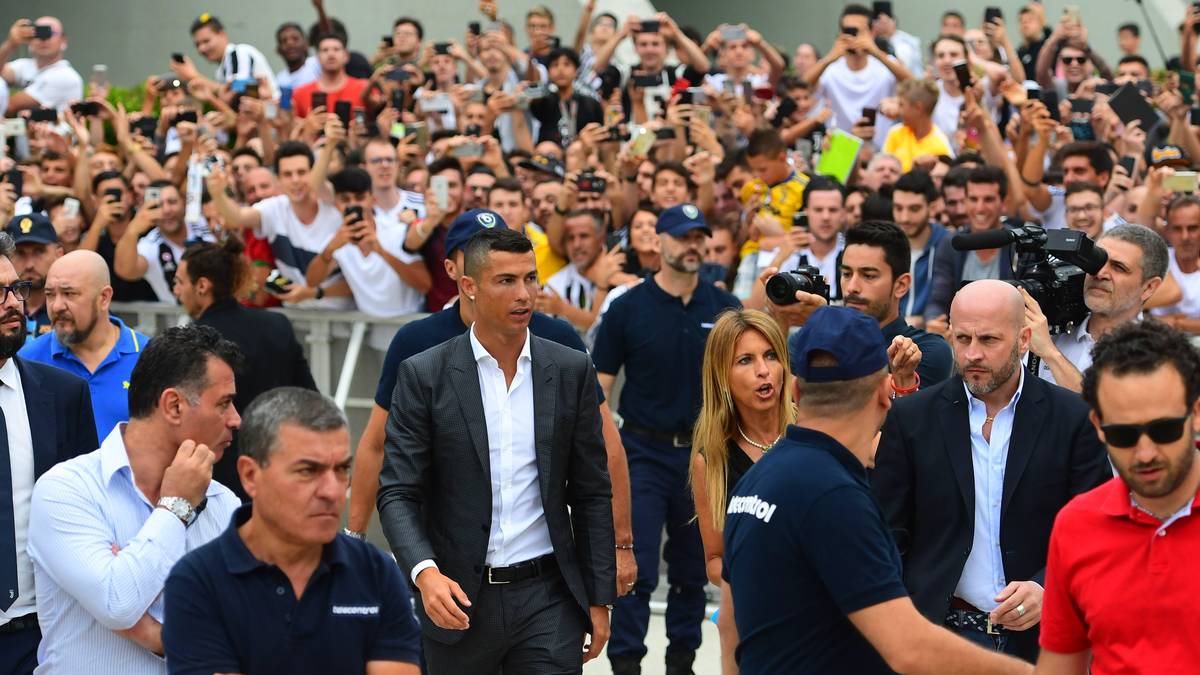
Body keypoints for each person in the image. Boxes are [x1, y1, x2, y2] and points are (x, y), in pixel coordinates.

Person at [723, 305, 1031, 674]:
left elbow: (730, 624)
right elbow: (909, 648)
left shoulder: (759, 478)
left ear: (795, 391)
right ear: (886, 394)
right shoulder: (834, 496)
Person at [345, 208, 634, 597]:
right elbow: (376, 444)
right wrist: (355, 537)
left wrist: (620, 543)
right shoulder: (416, 342)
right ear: (457, 273)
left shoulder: (558, 339)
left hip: (542, 572)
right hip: (446, 565)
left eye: (525, 274)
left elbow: (604, 445)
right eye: (479, 250)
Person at [377, 226, 615, 672]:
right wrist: (424, 573)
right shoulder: (424, 374)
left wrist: (600, 597)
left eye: (530, 278)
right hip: (457, 599)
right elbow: (397, 492)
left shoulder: (569, 369)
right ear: (468, 286)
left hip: (550, 598)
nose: (523, 294)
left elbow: (590, 491)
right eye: (506, 281)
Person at [872, 280, 1110, 662]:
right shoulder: (913, 417)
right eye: (962, 338)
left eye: (988, 339)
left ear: (1024, 339)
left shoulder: (1071, 417)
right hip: (941, 638)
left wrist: (1048, 587)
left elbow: (1099, 529)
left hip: (1044, 642)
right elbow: (888, 532)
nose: (973, 354)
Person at [27, 324, 243, 673]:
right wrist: (176, 508)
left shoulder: (224, 505)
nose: (236, 420)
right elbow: (120, 603)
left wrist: (155, 635)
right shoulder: (67, 490)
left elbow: (239, 637)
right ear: (173, 405)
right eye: (224, 403)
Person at [162, 387, 421, 674]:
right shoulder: (198, 582)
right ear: (250, 475)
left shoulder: (376, 571)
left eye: (341, 470)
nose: (332, 491)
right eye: (308, 471)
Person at [592, 204, 741, 675]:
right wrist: (603, 452)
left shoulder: (723, 307)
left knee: (694, 571)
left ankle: (682, 662)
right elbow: (600, 386)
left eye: (700, 236)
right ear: (659, 241)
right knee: (633, 568)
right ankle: (627, 665)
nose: (693, 244)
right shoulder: (627, 307)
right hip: (641, 451)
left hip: (702, 455)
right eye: (682, 236)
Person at [1037, 321, 1200, 673]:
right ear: (1097, 425)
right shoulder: (1076, 526)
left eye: (1164, 430)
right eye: (1123, 435)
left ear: (1196, 413)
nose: (1145, 453)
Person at [0, 232, 96, 675]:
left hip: (39, 639)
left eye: (16, 288)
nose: (13, 302)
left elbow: (89, 518)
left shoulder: (63, 395)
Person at [689, 309, 794, 674]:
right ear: (722, 376)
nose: (763, 371)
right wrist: (760, 579)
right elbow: (715, 560)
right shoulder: (712, 460)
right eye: (745, 361)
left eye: (771, 356)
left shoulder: (813, 431)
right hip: (753, 620)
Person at [174, 238, 317, 501]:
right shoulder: (277, 324)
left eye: (180, 282)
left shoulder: (193, 340)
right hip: (280, 467)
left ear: (202, 286)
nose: (177, 292)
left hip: (219, 482)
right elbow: (310, 399)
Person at [19, 251, 151, 439]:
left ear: (104, 297)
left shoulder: (150, 358)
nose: (56, 306)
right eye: (50, 295)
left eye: (69, 293)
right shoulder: (28, 360)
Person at [207, 139, 352, 309]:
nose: (295, 180)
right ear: (278, 179)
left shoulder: (335, 207)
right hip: (296, 318)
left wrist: (314, 293)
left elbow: (359, 278)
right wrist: (218, 194)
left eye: (302, 172)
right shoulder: (274, 209)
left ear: (314, 173)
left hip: (346, 320)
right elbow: (237, 217)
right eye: (287, 174)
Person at [1028, 224, 1169, 391]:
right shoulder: (1049, 327)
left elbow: (1104, 414)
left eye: (1119, 267)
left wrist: (1050, 353)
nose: (1100, 273)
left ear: (1149, 287)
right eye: (1097, 260)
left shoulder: (1157, 354)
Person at [841, 221, 954, 388]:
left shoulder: (925, 351)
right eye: (846, 273)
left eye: (869, 276)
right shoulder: (817, 339)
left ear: (901, 285)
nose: (852, 287)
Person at [926, 166, 1017, 323]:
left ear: (1004, 203)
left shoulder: (1019, 244)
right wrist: (935, 321)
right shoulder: (950, 244)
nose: (979, 208)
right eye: (973, 199)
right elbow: (937, 299)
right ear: (966, 201)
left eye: (988, 199)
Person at [802, 4, 912, 134]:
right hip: (841, 150)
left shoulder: (885, 62)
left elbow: (914, 85)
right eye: (847, 31)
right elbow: (802, 87)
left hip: (880, 150)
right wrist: (831, 57)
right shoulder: (829, 67)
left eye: (857, 31)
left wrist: (875, 51)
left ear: (872, 33)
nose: (852, 37)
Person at [113, 181, 214, 304]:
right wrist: (132, 230)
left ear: (183, 203)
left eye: (172, 202)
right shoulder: (150, 244)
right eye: (159, 205)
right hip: (181, 319)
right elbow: (125, 271)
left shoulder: (204, 221)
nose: (166, 210)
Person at [174, 13, 279, 100]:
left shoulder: (238, 53)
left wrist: (194, 76)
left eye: (206, 41)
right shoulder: (221, 71)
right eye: (197, 45)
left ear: (222, 34)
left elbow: (237, 95)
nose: (202, 49)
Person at [892, 170, 948, 326]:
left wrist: (922, 322)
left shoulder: (948, 244)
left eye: (914, 209)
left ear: (932, 208)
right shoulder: (886, 245)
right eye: (898, 208)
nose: (904, 217)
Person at [0, 17, 83, 113]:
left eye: (50, 33)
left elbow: (8, 105)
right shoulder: (26, 65)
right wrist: (11, 44)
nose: (44, 39)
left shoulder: (66, 76)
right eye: (38, 32)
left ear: (63, 41)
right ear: (30, 38)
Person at [6, 214, 62, 337]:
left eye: (39, 251)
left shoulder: (73, 307)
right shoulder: (3, 309)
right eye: (20, 253)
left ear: (59, 254)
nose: (29, 264)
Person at [1151, 194, 1200, 332]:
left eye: (1192, 228)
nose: (1185, 237)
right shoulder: (1157, 258)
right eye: (1177, 229)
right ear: (1167, 231)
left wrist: (1176, 324)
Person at [882, 79, 954, 173]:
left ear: (918, 108)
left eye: (901, 105)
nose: (898, 111)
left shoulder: (941, 145)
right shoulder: (895, 132)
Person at [292, 33, 368, 119]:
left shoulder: (364, 88)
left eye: (336, 49)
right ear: (318, 58)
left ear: (346, 56)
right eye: (325, 50)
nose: (331, 54)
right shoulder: (300, 94)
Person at [273, 22, 319, 90]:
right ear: (278, 50)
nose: (290, 44)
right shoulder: (279, 81)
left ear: (306, 44)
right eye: (284, 41)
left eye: (295, 39)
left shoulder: (317, 64)